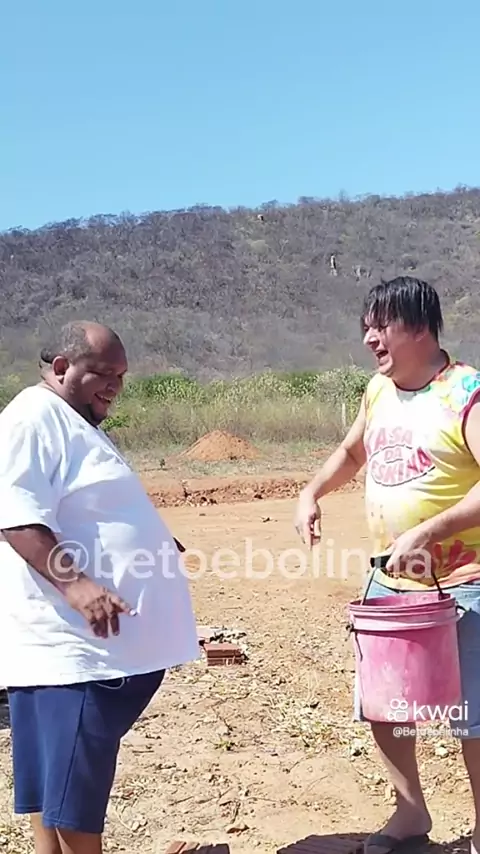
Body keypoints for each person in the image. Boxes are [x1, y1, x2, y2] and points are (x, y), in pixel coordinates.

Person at [295, 277, 480, 854]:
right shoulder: (378, 390)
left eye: (382, 326)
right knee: (387, 706)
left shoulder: (467, 392)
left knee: (473, 716)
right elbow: (354, 451)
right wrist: (311, 492)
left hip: (464, 583)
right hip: (389, 582)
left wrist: (428, 530)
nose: (370, 339)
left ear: (420, 328)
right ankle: (410, 813)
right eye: (366, 328)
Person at [0, 321, 200, 854]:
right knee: (75, 791)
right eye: (104, 373)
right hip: (75, 652)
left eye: (122, 376)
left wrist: (151, 540)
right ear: (62, 367)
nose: (115, 385)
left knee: (56, 784)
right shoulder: (32, 418)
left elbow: (82, 504)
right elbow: (16, 516)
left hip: (84, 652)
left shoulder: (70, 420)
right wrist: (78, 586)